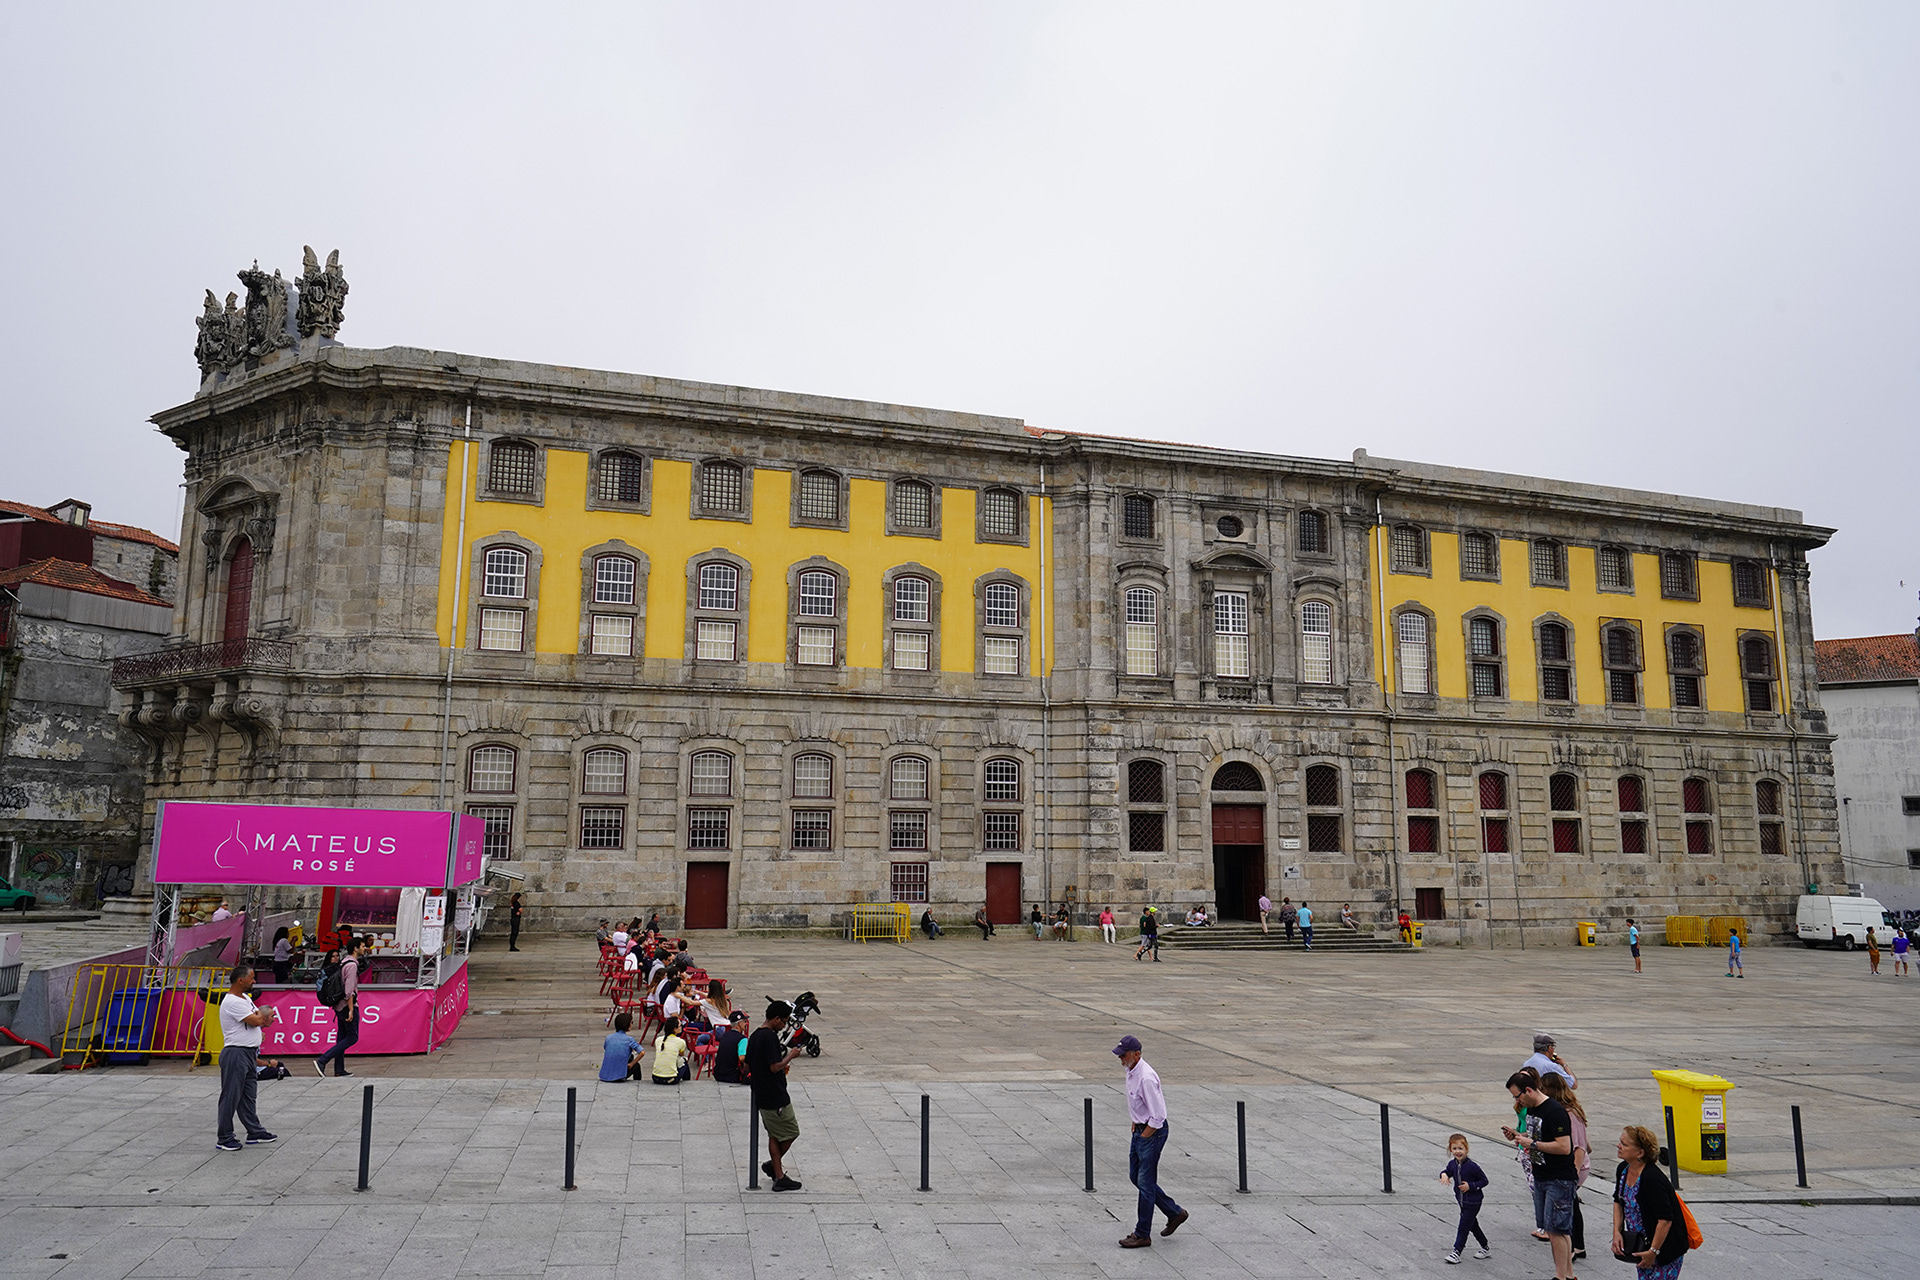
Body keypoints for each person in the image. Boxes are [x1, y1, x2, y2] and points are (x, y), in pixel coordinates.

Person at [1113, 1034, 1188, 1248]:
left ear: (1136, 1055)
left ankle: (1142, 1234)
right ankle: (1174, 1212)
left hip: (1152, 1132)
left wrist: (1145, 1134)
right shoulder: (1131, 1070)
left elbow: (1159, 1115)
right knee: (1136, 1177)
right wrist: (1135, 1121)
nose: (1120, 1059)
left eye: (1123, 1055)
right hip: (1140, 1129)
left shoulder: (1146, 1077)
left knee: (1145, 1184)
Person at [1502, 1070, 1577, 1280]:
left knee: (1556, 1230)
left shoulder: (1554, 1111)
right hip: (1541, 1175)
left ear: (1528, 1090)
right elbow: (1538, 1133)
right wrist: (1518, 1135)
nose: (1517, 1101)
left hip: (1559, 1178)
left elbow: (1564, 1147)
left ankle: (1561, 1276)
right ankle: (1568, 1276)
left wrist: (1532, 1143)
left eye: (1517, 1096)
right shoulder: (1533, 1109)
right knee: (1556, 1229)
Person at [1612, 1124, 1689, 1278]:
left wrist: (1653, 1252)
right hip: (1642, 1246)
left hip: (1663, 1249)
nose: (1618, 1146)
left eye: (1624, 1144)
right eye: (1620, 1141)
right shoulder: (1623, 1169)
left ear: (1640, 1152)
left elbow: (1665, 1220)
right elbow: (1618, 1202)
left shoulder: (1652, 1179)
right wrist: (1616, 1232)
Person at [215, 965, 278, 1151]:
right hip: (236, 1053)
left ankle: (254, 1131)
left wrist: (256, 1021)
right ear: (240, 980)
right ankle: (224, 1137)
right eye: (251, 978)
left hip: (249, 1053)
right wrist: (257, 1018)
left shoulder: (245, 999)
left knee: (248, 1096)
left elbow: (258, 1017)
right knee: (231, 1096)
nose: (254, 981)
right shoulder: (233, 1001)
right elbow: (258, 1019)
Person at [746, 1000, 804, 1190]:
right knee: (791, 1131)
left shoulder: (755, 1035)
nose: (784, 1026)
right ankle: (776, 1170)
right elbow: (774, 1067)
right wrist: (791, 1056)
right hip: (774, 1094)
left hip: (761, 1092)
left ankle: (777, 1170)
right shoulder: (769, 1037)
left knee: (774, 1134)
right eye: (784, 1021)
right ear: (777, 1018)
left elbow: (747, 1065)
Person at [1539, 1072, 1591, 1262]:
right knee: (1572, 1204)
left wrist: (1572, 1174)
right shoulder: (1558, 1111)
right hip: (1569, 1167)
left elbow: (1580, 1148)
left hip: (1575, 1167)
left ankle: (1574, 1246)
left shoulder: (1570, 1114)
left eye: (1543, 1089)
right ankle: (1578, 1246)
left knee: (1568, 1205)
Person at [314, 939, 364, 1077]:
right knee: (352, 1037)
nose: (364, 948)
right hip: (346, 1005)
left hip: (338, 1006)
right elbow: (349, 991)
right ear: (355, 948)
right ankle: (323, 1060)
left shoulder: (343, 962)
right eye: (362, 946)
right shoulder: (352, 965)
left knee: (341, 1038)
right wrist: (351, 1009)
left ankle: (339, 1069)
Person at [1439, 1133, 1490, 1264]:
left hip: (1473, 1202)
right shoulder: (1452, 1164)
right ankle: (1485, 1247)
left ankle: (1457, 1251)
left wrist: (1471, 1186)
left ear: (1466, 1149)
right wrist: (1444, 1174)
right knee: (1472, 1225)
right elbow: (1447, 1171)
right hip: (1462, 1201)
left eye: (1460, 1148)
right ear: (1450, 1150)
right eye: (1455, 1149)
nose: (1458, 1151)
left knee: (1463, 1226)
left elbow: (1484, 1181)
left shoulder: (1472, 1167)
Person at [600, 1010, 644, 1082]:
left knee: (630, 1056)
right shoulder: (629, 1040)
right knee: (636, 1066)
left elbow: (606, 1048)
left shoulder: (609, 1038)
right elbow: (642, 1052)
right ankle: (638, 1083)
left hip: (604, 1075)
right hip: (619, 1076)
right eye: (631, 1023)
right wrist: (632, 1064)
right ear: (627, 1025)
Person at [713, 1010, 750, 1084]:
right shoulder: (742, 1039)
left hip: (718, 1074)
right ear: (739, 1023)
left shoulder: (725, 1035)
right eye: (744, 1021)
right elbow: (741, 1058)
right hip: (732, 1076)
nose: (745, 1024)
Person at [650, 1016, 689, 1085]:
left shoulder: (658, 1040)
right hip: (670, 1079)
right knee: (684, 1061)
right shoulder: (680, 1042)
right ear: (675, 1029)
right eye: (680, 1026)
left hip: (655, 1078)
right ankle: (687, 1083)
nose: (681, 1027)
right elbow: (681, 1055)